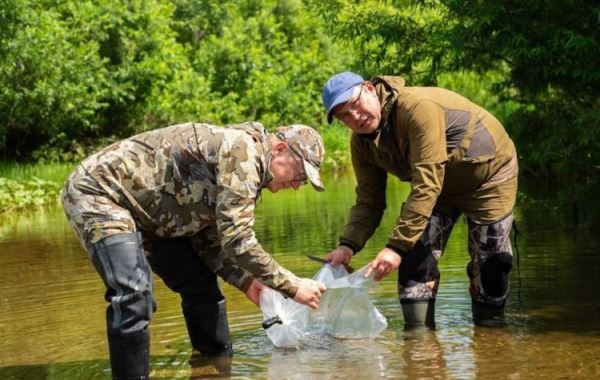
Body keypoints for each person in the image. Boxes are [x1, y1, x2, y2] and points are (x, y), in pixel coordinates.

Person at [61, 121, 327, 379]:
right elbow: (239, 240)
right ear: (279, 149)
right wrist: (291, 285)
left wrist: (249, 283)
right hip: (99, 193)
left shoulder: (246, 164)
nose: (296, 184)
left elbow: (210, 240)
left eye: (303, 181)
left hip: (156, 215)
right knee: (134, 294)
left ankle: (214, 369)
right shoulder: (243, 153)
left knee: (201, 285)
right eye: (300, 174)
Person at [321, 72, 518, 328]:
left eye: (355, 104)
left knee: (493, 261)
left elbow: (426, 182)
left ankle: (491, 338)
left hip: (488, 175)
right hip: (439, 188)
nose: (355, 117)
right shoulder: (361, 144)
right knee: (414, 260)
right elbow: (369, 200)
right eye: (344, 116)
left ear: (370, 89)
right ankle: (419, 344)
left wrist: (395, 247)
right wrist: (348, 245)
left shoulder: (417, 108)